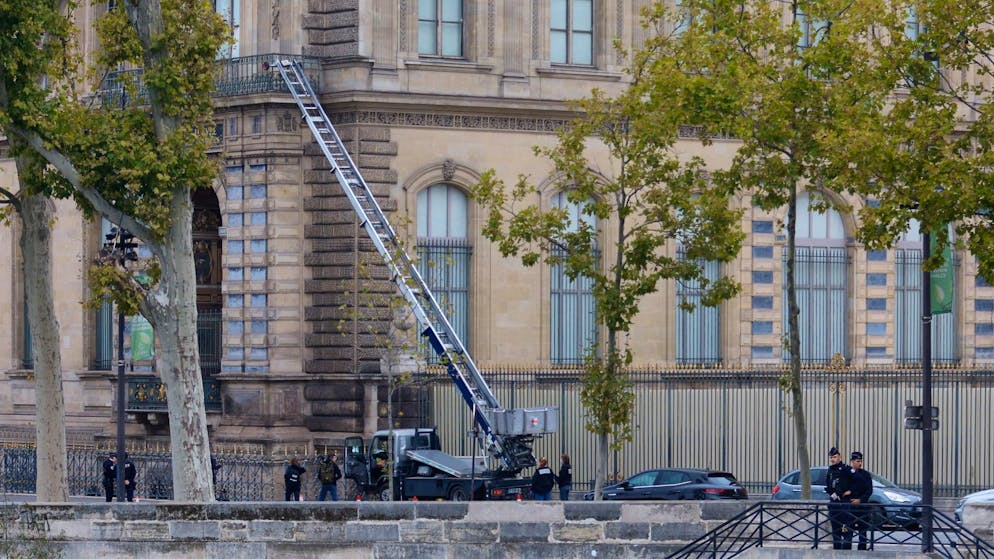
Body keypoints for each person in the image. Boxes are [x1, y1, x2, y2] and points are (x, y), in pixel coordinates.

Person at [843, 450, 874, 551]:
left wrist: (860, 500)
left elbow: (869, 490)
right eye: (857, 461)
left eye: (860, 461)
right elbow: (843, 488)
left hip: (862, 506)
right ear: (852, 461)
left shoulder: (865, 475)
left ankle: (862, 550)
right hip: (850, 506)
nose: (859, 463)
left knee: (863, 530)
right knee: (848, 530)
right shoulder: (847, 474)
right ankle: (846, 550)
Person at [825, 447, 851, 550]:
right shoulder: (830, 470)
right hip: (834, 502)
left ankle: (846, 550)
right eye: (831, 457)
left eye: (834, 457)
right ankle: (836, 550)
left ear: (839, 457)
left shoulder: (846, 469)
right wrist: (832, 493)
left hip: (844, 502)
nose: (832, 459)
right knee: (835, 528)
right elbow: (828, 483)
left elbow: (848, 484)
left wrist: (844, 492)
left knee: (846, 528)